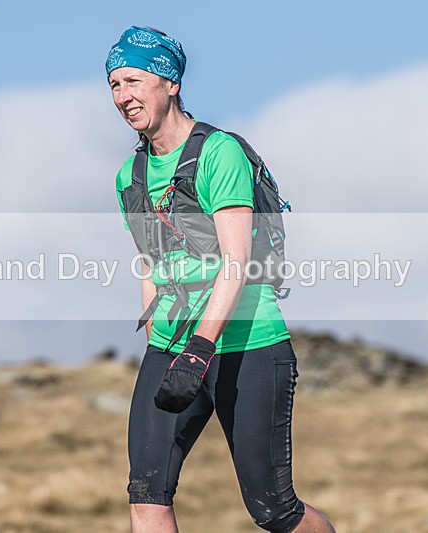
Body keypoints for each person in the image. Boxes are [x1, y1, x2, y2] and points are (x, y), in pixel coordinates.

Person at [107, 26, 336, 533]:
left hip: (247, 346)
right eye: (114, 85)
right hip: (174, 347)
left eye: (134, 81)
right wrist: (161, 350)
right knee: (147, 494)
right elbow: (151, 264)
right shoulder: (131, 175)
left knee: (273, 510)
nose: (123, 96)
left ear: (170, 83)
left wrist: (199, 349)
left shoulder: (219, 153)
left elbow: (238, 261)